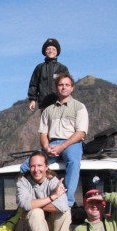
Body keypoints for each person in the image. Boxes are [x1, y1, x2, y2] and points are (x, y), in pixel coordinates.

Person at [21, 72, 88, 207]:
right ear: (57, 88)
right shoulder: (48, 110)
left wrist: (62, 146)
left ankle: (67, 202)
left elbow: (81, 133)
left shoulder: (79, 107)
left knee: (74, 163)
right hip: (51, 144)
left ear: (72, 88)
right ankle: (33, 198)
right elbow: (43, 134)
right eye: (61, 85)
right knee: (26, 166)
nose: (64, 88)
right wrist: (46, 147)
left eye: (67, 85)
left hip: (71, 143)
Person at [15, 151, 71, 231]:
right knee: (35, 212)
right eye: (33, 166)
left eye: (40, 166)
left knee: (65, 213)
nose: (36, 169)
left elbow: (63, 206)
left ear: (46, 167)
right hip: (25, 226)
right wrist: (52, 197)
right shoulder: (22, 182)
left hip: (46, 224)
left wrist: (34, 204)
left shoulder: (53, 181)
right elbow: (25, 204)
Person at [27, 37, 69, 111]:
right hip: (44, 104)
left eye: (53, 49)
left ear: (57, 52)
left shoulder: (62, 68)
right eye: (48, 49)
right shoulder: (39, 68)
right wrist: (32, 99)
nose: (51, 51)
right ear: (45, 51)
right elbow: (33, 85)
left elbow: (68, 85)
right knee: (45, 122)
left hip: (59, 103)